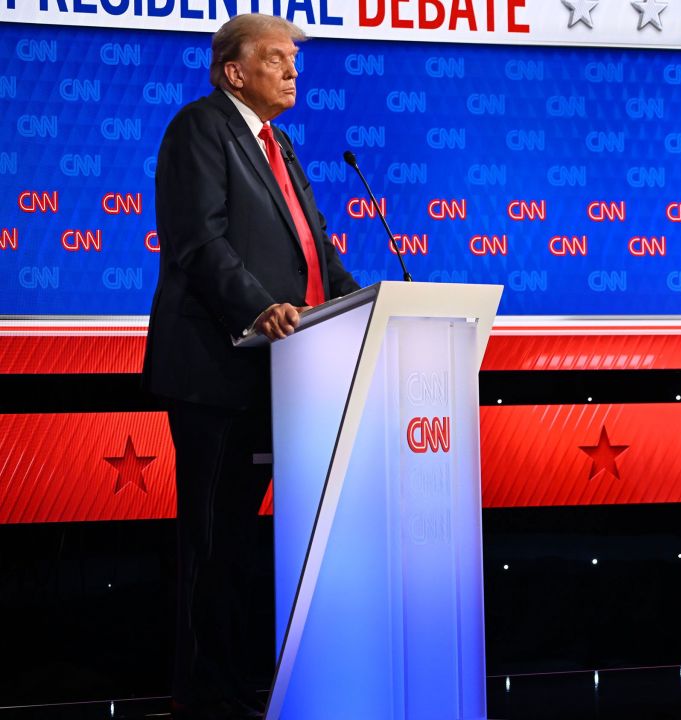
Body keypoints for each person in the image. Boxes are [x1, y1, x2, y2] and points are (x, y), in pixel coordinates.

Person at [142, 13, 360, 719]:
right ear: (234, 71)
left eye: (293, 58)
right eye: (275, 58)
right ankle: (204, 701)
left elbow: (314, 253)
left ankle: (245, 690)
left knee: (247, 547)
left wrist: (375, 305)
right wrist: (261, 305)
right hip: (217, 372)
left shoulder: (280, 145)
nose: (292, 70)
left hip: (285, 377)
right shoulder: (200, 130)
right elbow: (197, 243)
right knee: (213, 543)